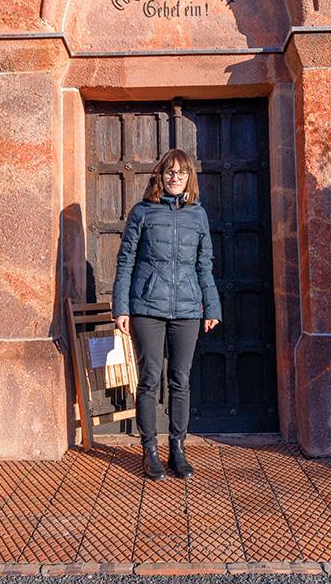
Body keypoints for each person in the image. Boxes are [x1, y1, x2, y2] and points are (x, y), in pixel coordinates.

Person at [113, 149, 222, 480]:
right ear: (160, 175)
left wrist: (211, 305)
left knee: (181, 380)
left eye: (181, 173)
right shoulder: (143, 212)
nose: (175, 177)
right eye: (169, 172)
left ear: (190, 178)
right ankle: (150, 450)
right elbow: (125, 261)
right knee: (149, 380)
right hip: (147, 309)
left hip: (187, 310)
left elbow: (205, 265)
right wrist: (122, 307)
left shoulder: (197, 216)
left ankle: (178, 448)